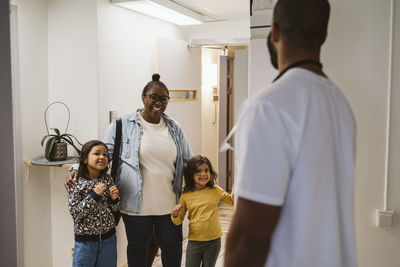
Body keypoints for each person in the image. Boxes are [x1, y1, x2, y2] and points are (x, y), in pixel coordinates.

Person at [224, 1, 357, 267]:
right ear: (324, 36)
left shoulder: (269, 107)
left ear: (274, 32)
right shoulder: (340, 105)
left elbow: (250, 237)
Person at [66, 73, 193, 267]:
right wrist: (76, 168)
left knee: (173, 250)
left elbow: (188, 160)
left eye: (164, 98)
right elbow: (102, 153)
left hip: (170, 206)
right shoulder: (121, 125)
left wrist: (202, 188)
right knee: (138, 252)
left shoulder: (174, 127)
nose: (158, 102)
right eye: (154, 97)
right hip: (135, 207)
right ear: (143, 97)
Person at [171, 155, 233, 267]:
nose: (203, 174)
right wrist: (175, 214)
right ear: (191, 174)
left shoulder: (215, 190)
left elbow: (232, 201)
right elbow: (178, 221)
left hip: (214, 242)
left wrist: (236, 188)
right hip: (195, 242)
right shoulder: (186, 196)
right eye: (198, 171)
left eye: (206, 170)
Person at [68, 140, 120, 267]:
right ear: (85, 159)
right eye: (97, 154)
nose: (102, 157)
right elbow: (76, 213)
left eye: (105, 155)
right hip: (85, 242)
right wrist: (93, 195)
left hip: (109, 239)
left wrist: (114, 199)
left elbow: (115, 209)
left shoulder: (108, 179)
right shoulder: (76, 182)